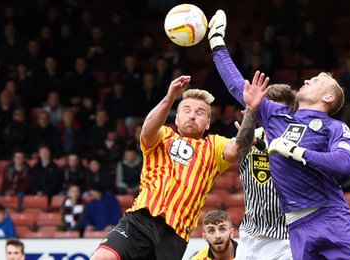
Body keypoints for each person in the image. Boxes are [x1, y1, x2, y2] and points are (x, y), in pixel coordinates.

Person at [209, 10, 350, 259]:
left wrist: (296, 152)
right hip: (296, 227)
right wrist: (216, 44)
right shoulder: (277, 116)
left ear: (328, 98)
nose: (308, 79)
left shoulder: (335, 127)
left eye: (318, 81)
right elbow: (237, 86)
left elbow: (345, 164)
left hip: (330, 216)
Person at [91, 73, 265, 259]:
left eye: (199, 113)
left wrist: (251, 110)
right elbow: (147, 131)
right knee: (102, 257)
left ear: (207, 123)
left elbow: (238, 149)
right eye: (187, 110)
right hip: (138, 221)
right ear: (176, 118)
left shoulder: (214, 145)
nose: (192, 116)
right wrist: (170, 97)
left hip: (174, 236)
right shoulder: (163, 135)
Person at [236, 84, 295, 260]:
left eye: (280, 111)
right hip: (250, 234)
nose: (273, 116)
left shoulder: (299, 137)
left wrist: (260, 144)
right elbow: (234, 152)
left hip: (285, 236)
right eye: (270, 110)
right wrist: (248, 124)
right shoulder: (248, 135)